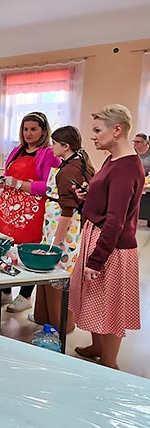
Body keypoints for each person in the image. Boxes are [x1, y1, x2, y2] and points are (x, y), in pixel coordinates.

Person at [70, 104, 144, 369]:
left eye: (97, 130)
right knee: (94, 298)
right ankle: (97, 346)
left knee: (110, 305)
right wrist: (89, 194)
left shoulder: (126, 167)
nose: (93, 136)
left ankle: (109, 362)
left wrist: (96, 260)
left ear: (117, 130)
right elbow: (107, 196)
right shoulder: (111, 159)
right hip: (98, 235)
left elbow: (116, 221)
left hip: (111, 245)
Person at [0, 112, 60, 312]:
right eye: (26, 129)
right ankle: (4, 290)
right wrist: (3, 182)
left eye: (33, 129)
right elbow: (8, 174)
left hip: (31, 212)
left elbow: (48, 186)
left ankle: (25, 295)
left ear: (43, 131)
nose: (29, 133)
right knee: (4, 248)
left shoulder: (49, 154)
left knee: (27, 251)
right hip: (7, 209)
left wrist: (19, 184)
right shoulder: (17, 151)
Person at [31, 125, 95, 332]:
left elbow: (68, 210)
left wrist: (55, 245)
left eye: (54, 144)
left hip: (62, 229)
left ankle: (61, 324)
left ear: (65, 146)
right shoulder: (73, 162)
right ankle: (45, 316)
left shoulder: (69, 169)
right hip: (56, 224)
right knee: (51, 273)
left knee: (57, 272)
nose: (51, 148)